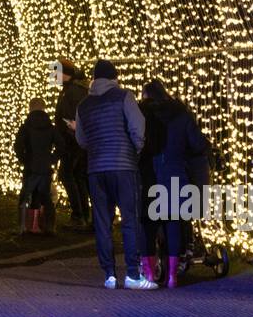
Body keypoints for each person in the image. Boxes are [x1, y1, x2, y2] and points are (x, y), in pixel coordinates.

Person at [74, 59, 157, 290]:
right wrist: (135, 150)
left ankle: (109, 274)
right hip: (123, 167)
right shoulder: (124, 97)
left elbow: (81, 139)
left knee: (102, 222)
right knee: (130, 220)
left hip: (96, 170)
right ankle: (132, 273)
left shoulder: (84, 105)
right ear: (114, 77)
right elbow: (138, 128)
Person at [139, 79, 211, 287]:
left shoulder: (142, 115)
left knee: (148, 225)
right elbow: (197, 143)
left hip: (149, 175)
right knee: (174, 223)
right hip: (175, 174)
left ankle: (150, 275)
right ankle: (172, 276)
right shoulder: (181, 114)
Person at [14, 97, 63, 234]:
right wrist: (52, 159)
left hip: (31, 167)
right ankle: (48, 226)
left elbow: (18, 146)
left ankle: (24, 226)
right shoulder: (50, 127)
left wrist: (25, 159)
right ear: (44, 108)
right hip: (45, 168)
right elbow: (61, 145)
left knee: (26, 195)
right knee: (45, 197)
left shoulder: (26, 127)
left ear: (30, 108)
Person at [54, 60, 91, 230]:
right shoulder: (76, 90)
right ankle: (83, 215)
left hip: (72, 143)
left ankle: (79, 215)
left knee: (67, 175)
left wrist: (69, 140)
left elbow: (72, 119)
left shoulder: (72, 92)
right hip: (77, 142)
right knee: (77, 176)